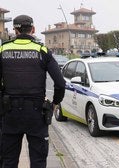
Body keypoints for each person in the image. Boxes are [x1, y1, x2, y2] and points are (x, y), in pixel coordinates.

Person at [0, 15, 66, 167]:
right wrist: (55, 103)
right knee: (38, 161)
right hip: (37, 114)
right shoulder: (42, 50)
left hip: (9, 113)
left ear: (15, 30)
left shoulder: (3, 49)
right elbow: (60, 83)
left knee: (8, 161)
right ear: (33, 29)